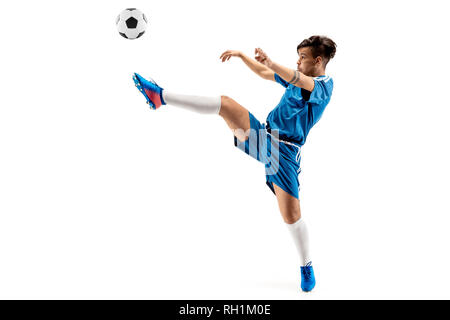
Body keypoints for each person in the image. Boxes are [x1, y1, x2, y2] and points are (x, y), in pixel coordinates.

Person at [132, 35, 336, 292]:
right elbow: (265, 72)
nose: (297, 62)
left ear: (318, 61)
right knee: (225, 104)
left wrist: (273, 62)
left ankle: (306, 265)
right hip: (266, 137)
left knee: (291, 215)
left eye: (303, 58)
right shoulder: (296, 77)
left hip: (283, 153)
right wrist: (243, 57)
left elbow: (299, 79)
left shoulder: (324, 85)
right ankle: (160, 96)